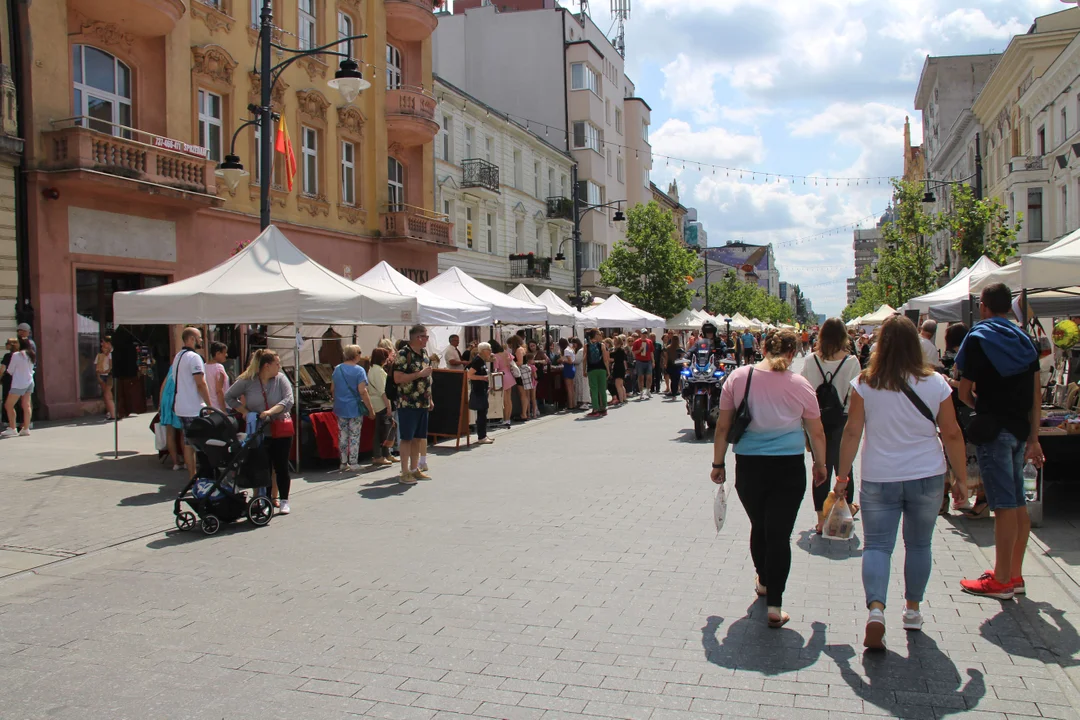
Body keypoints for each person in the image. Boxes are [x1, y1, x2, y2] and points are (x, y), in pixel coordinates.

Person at [834, 315, 967, 650]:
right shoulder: (936, 382)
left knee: (878, 546)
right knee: (919, 545)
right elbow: (951, 433)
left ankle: (876, 610)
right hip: (926, 474)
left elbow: (853, 431)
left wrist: (843, 474)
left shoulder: (867, 382)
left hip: (880, 475)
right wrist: (962, 478)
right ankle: (912, 610)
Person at [711, 329, 828, 629]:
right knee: (779, 535)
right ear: (792, 353)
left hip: (749, 466)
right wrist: (820, 464)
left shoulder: (738, 378)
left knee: (759, 526)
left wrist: (718, 463)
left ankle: (763, 580)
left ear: (762, 348)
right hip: (788, 467)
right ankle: (775, 604)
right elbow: (816, 431)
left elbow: (723, 426)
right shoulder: (800, 385)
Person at [956, 283, 1043, 600]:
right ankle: (1014, 574)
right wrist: (1034, 436)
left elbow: (965, 391)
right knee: (1018, 503)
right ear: (1010, 307)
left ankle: (1002, 579)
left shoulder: (979, 338)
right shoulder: (1026, 339)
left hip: (994, 430)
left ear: (983, 307)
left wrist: (982, 408)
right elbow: (1035, 394)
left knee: (1003, 506)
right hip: (1021, 430)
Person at [800, 318, 862, 534]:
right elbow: (856, 394)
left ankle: (820, 519)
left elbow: (803, 390)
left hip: (816, 420)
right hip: (843, 419)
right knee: (844, 468)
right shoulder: (852, 362)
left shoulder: (810, 361)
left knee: (820, 468)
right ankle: (841, 514)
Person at [226, 350, 295, 514]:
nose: (280, 367)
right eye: (277, 364)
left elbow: (289, 400)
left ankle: (283, 499)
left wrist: (270, 412)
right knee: (263, 466)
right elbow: (229, 397)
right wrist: (245, 411)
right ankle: (266, 501)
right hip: (259, 430)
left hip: (280, 428)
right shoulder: (248, 381)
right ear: (266, 366)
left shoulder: (280, 379)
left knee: (281, 466)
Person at [393, 325, 434, 485]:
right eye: (426, 337)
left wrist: (430, 398)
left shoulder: (423, 353)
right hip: (408, 403)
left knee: (418, 438)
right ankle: (404, 472)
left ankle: (414, 468)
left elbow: (428, 379)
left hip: (422, 402)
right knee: (407, 438)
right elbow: (397, 378)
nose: (427, 340)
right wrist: (419, 374)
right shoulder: (404, 354)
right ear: (418, 337)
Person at [170, 327, 212, 479]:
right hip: (193, 407)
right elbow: (200, 383)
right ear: (192, 339)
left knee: (189, 443)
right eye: (199, 337)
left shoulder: (178, 356)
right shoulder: (194, 358)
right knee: (200, 444)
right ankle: (201, 477)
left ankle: (192, 477)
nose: (201, 340)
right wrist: (210, 404)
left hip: (181, 406)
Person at [331, 344, 375, 472]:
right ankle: (354, 461)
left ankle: (343, 462)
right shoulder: (359, 370)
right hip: (354, 407)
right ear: (356, 355)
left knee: (342, 435)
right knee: (354, 435)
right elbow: (363, 391)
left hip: (340, 407)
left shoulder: (337, 369)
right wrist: (370, 409)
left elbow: (332, 389)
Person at [1, 337, 36, 437]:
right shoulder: (31, 355)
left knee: (9, 405)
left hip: (19, 383)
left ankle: (12, 428)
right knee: (26, 405)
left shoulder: (17, 355)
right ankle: (26, 428)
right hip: (29, 381)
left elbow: (10, 370)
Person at [368, 347, 394, 466]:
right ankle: (379, 455)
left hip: (377, 402)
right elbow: (383, 391)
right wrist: (388, 406)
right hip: (380, 403)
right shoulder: (377, 371)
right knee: (381, 430)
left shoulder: (373, 369)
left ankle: (385, 453)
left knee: (385, 429)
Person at [468, 342, 494, 445]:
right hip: (478, 390)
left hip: (483, 389)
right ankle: (481, 436)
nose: (490, 352)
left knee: (483, 413)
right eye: (489, 350)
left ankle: (483, 435)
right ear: (483, 351)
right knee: (482, 413)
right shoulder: (477, 361)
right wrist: (482, 378)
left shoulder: (482, 361)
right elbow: (470, 375)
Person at [585, 329, 611, 417]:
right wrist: (608, 370)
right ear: (595, 335)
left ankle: (595, 409)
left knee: (594, 390)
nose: (600, 335)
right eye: (599, 334)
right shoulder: (602, 345)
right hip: (602, 369)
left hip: (591, 370)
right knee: (602, 389)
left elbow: (584, 359)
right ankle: (603, 408)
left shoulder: (587, 346)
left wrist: (584, 370)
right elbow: (605, 359)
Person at [204, 341, 231, 412]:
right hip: (218, 408)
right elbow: (219, 390)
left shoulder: (204, 366)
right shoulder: (218, 368)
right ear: (218, 353)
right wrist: (223, 410)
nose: (226, 355)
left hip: (207, 407)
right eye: (224, 353)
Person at [95, 336, 116, 420]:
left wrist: (104, 372)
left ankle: (113, 414)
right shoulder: (104, 354)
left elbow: (110, 366)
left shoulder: (111, 353)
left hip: (110, 375)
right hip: (108, 375)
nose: (102, 344)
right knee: (108, 395)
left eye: (103, 342)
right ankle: (111, 413)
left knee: (108, 395)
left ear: (108, 343)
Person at [631, 330, 654, 400]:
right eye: (643, 333)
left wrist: (653, 361)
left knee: (649, 377)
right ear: (640, 334)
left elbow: (651, 352)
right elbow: (634, 352)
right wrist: (640, 350)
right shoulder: (637, 342)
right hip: (640, 361)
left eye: (645, 333)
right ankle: (641, 392)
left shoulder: (649, 342)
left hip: (648, 361)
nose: (644, 335)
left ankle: (648, 390)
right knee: (640, 377)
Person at [0, 338, 15, 429]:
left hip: (8, 380)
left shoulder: (7, 356)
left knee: (7, 400)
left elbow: (2, 369)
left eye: (7, 343)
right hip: (17, 380)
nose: (6, 345)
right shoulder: (21, 355)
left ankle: (7, 421)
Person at [611, 335, 628, 405]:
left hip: (618, 368)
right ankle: (624, 398)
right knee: (621, 385)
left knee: (618, 385)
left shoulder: (619, 350)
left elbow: (613, 356)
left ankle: (621, 400)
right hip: (621, 367)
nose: (614, 342)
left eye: (615, 341)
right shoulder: (621, 350)